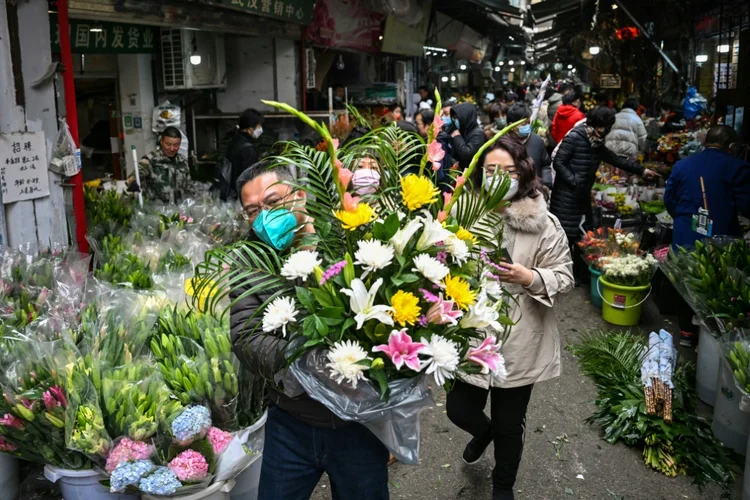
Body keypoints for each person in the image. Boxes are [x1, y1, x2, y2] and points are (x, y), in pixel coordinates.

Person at [230, 160, 390, 500]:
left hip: (358, 425)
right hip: (291, 420)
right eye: (252, 211)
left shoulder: (348, 239)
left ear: (300, 195)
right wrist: (303, 360)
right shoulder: (251, 260)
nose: (264, 216)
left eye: (273, 203)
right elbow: (245, 335)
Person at [447, 136, 574, 500]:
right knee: (458, 409)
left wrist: (529, 277)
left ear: (523, 173)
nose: (499, 178)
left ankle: (503, 486)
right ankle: (481, 432)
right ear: (478, 174)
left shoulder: (543, 223)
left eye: (508, 170)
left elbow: (565, 276)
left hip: (521, 338)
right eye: (490, 171)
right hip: (470, 333)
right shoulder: (463, 213)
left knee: (508, 424)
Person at [550, 107, 658, 279]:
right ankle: (562, 274)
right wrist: (574, 181)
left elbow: (614, 158)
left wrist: (642, 171)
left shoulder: (596, 143)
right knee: (565, 235)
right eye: (602, 127)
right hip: (566, 196)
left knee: (584, 234)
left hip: (582, 193)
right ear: (593, 124)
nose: (605, 131)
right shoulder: (575, 137)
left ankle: (578, 275)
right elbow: (558, 162)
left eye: (608, 128)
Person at [664, 125, 750, 247]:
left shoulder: (681, 165)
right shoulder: (739, 167)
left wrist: (685, 219)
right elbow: (746, 206)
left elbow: (669, 200)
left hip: (682, 239)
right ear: (731, 146)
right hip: (719, 244)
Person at [136, 126, 191, 204]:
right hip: (156, 210)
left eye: (176, 145)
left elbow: (188, 188)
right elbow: (134, 177)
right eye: (168, 144)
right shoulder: (149, 160)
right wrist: (134, 182)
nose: (172, 149)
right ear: (161, 142)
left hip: (178, 210)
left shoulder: (182, 161)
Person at [506, 103, 553, 189]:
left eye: (528, 122)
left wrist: (546, 183)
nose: (528, 126)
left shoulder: (537, 141)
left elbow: (545, 164)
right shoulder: (502, 144)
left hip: (535, 192)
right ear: (511, 125)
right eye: (524, 124)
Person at [225, 108, 263, 198]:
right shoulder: (248, 149)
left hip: (231, 191)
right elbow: (248, 177)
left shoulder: (234, 140)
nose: (261, 129)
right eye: (259, 126)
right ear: (250, 129)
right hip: (241, 194)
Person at [440, 102, 486, 171]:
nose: (454, 120)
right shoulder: (463, 130)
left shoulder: (477, 134)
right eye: (453, 117)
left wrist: (457, 137)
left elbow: (467, 154)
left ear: (466, 116)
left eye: (456, 117)